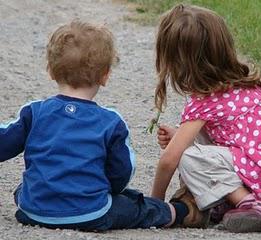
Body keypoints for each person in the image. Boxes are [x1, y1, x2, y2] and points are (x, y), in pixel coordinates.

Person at [0, 20, 190, 231]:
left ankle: (43, 200)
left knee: (26, 188)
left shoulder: (34, 113)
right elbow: (121, 172)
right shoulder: (110, 122)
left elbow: (3, 143)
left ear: (51, 72)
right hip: (90, 213)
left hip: (33, 211)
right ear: (105, 76)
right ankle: (178, 212)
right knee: (135, 205)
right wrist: (108, 190)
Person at [151, 4, 261, 232]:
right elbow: (233, 141)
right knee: (190, 149)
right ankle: (242, 203)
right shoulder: (239, 85)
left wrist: (154, 205)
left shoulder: (205, 100)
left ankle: (249, 203)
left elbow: (169, 160)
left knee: (188, 157)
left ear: (179, 61)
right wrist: (179, 137)